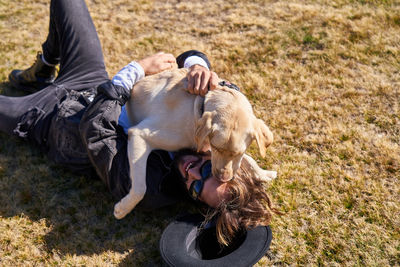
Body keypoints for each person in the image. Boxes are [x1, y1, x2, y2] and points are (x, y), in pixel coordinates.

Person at [1, 0, 278, 246]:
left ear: (193, 200)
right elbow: (194, 64)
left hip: (49, 120)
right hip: (91, 79)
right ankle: (45, 66)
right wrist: (199, 67)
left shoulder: (150, 188)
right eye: (208, 170)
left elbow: (95, 130)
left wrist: (136, 71)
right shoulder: (219, 130)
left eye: (196, 188)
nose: (193, 173)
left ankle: (39, 85)